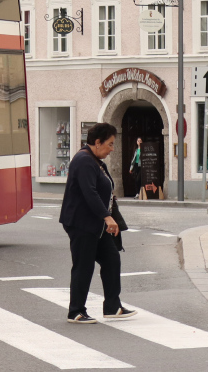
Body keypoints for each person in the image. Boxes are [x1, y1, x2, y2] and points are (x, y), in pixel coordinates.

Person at [59, 122, 137, 324]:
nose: (112, 149)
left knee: (112, 259)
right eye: (110, 144)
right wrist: (107, 217)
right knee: (83, 266)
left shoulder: (93, 160)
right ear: (97, 142)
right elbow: (89, 193)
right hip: (82, 223)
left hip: (96, 225)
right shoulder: (84, 160)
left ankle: (112, 306)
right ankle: (75, 311)